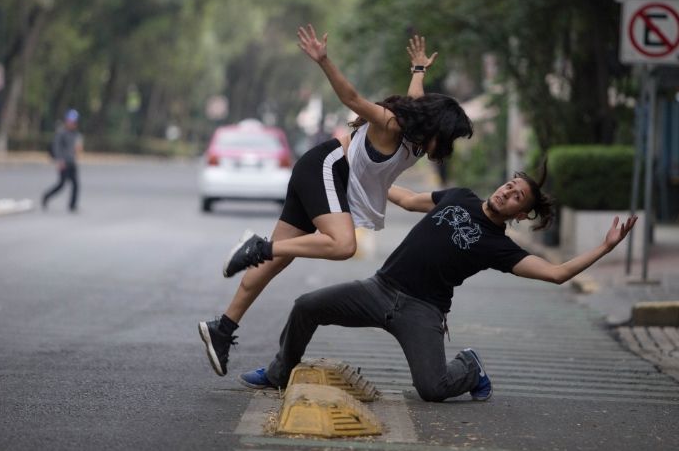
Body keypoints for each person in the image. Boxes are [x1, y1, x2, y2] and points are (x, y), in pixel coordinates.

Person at [199, 26, 474, 377]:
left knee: (279, 260)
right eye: (448, 140)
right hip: (326, 167)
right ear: (436, 128)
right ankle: (259, 246)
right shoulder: (391, 124)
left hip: (323, 175)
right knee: (341, 245)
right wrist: (324, 60)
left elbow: (416, 95)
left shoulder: (418, 134)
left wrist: (419, 70)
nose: (446, 149)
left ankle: (222, 329)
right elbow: (354, 99)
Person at [233, 169, 637, 402]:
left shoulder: (500, 247)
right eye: (509, 186)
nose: (508, 193)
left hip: (421, 311)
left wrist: (604, 247)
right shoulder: (459, 196)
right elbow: (408, 200)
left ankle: (469, 365)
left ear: (521, 213)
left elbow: (557, 273)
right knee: (306, 305)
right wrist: (361, 176)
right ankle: (279, 372)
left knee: (432, 388)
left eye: (517, 197)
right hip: (379, 289)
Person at [42, 109, 83, 212]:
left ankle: (72, 205)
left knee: (76, 185)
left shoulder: (76, 134)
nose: (71, 123)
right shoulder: (61, 133)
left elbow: (77, 148)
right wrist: (59, 160)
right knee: (61, 184)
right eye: (70, 121)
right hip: (63, 162)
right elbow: (57, 148)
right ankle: (46, 196)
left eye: (73, 122)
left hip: (72, 162)